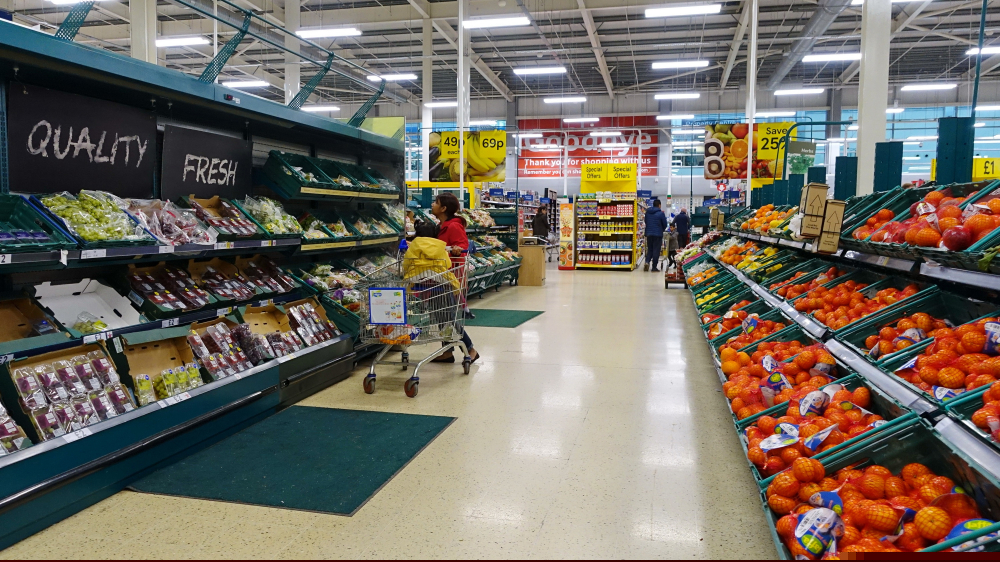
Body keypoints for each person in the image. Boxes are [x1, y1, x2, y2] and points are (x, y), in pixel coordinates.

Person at [429, 192, 479, 364]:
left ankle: (471, 349)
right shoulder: (441, 226)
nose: (433, 204)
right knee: (440, 313)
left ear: (443, 208)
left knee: (448, 316)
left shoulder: (453, 226)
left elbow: (464, 247)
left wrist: (457, 248)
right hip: (438, 275)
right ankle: (447, 351)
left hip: (449, 276)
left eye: (436, 202)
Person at [643, 199, 669, 272]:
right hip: (657, 234)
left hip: (649, 233)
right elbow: (665, 224)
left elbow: (646, 222)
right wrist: (662, 229)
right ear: (659, 205)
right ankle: (654, 267)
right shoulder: (661, 213)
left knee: (650, 249)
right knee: (656, 250)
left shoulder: (647, 213)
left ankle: (647, 262)